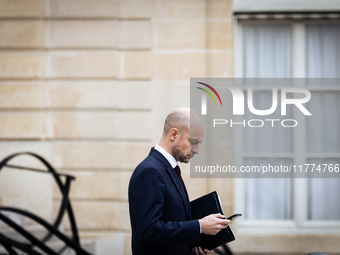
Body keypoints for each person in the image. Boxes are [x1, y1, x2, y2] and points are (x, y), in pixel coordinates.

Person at [128, 107, 231, 255]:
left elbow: (172, 224)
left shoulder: (168, 169)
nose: (197, 150)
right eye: (193, 141)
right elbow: (148, 230)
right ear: (174, 134)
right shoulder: (150, 171)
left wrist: (193, 248)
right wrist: (200, 226)